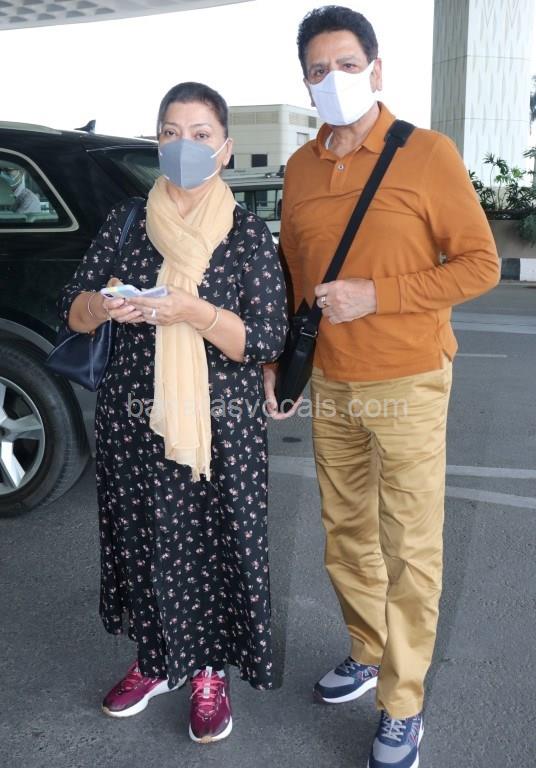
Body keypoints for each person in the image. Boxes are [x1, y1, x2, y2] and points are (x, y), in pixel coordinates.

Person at [263, 6, 499, 768]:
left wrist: (379, 295)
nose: (333, 79)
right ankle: (367, 650)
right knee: (346, 535)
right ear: (304, 80)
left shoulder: (426, 154)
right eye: (318, 69)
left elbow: (480, 264)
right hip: (330, 381)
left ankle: (403, 703)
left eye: (346, 64)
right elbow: (292, 276)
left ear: (376, 69)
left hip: (409, 379)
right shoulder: (300, 169)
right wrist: (280, 361)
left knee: (410, 546)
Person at [58, 81, 287, 744]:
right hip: (134, 421)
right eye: (170, 133)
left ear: (225, 148)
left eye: (200, 134)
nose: (184, 145)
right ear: (157, 141)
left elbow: (265, 339)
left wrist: (196, 313)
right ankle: (156, 660)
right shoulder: (128, 221)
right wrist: (106, 305)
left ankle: (209, 672)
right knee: (142, 540)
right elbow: (72, 308)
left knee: (212, 546)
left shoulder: (246, 235)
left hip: (218, 428)